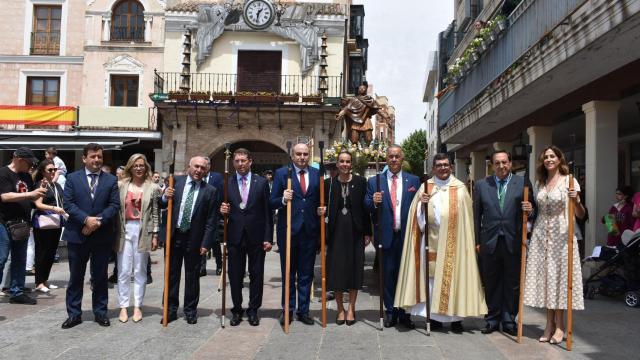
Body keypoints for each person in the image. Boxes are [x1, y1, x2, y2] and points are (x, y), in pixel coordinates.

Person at [394, 153, 487, 333]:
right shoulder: (426, 187)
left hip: (455, 243)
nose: (443, 168)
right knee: (432, 281)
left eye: (446, 165)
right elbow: (416, 218)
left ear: (451, 167)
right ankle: (434, 317)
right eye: (439, 165)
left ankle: (456, 320)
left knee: (454, 280)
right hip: (431, 241)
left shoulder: (460, 188)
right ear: (433, 168)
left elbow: (467, 220)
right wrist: (422, 205)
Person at [523, 146, 585, 344]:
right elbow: (536, 211)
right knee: (546, 280)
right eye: (546, 157)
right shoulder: (540, 182)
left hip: (562, 235)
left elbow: (581, 214)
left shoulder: (570, 180)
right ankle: (548, 325)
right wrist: (530, 208)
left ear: (559, 159)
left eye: (552, 156)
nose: (549, 159)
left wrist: (575, 200)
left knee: (560, 280)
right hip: (541, 235)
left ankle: (560, 326)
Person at [472, 150, 535, 335]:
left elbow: (533, 210)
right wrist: (477, 241)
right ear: (492, 165)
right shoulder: (482, 185)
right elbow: (476, 216)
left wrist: (530, 209)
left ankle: (509, 320)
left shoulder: (522, 182)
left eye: (505, 162)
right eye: (497, 163)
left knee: (512, 282)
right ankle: (492, 319)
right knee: (491, 281)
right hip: (489, 241)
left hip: (513, 239)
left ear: (510, 163)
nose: (501, 166)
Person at [61, 143, 120, 329]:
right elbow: (68, 204)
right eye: (93, 156)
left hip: (101, 236)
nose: (96, 160)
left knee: (100, 276)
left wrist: (97, 222)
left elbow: (114, 205)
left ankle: (101, 312)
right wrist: (86, 220)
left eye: (99, 157)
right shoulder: (72, 178)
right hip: (77, 235)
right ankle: (74, 314)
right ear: (84, 158)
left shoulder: (110, 180)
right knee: (76, 277)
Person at [365, 145, 420, 329]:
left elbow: (419, 207)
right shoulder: (375, 182)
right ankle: (390, 311)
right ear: (386, 159)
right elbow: (366, 206)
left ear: (402, 158)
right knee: (387, 276)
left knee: (405, 275)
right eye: (390, 157)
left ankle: (404, 313)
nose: (394, 160)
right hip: (386, 236)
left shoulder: (413, 180)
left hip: (406, 236)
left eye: (397, 156)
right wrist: (373, 201)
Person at [162, 156, 218, 325]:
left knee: (192, 276)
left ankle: (190, 310)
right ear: (189, 167)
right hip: (175, 236)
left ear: (206, 171)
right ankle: (170, 309)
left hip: (194, 239)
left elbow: (211, 220)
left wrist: (206, 243)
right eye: (196, 167)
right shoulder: (175, 182)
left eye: (203, 168)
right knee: (171, 274)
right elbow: (161, 204)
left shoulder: (210, 191)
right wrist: (165, 196)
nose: (199, 170)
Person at [219, 148, 273, 326]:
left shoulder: (261, 182)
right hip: (235, 235)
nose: (240, 164)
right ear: (233, 163)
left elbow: (267, 212)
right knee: (235, 275)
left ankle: (253, 310)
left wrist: (268, 237)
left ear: (250, 161)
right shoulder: (227, 181)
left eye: (243, 160)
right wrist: (222, 211)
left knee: (256, 275)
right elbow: (220, 208)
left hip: (256, 236)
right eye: (237, 161)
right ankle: (236, 309)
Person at [270, 142, 320, 326]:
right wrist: (283, 199)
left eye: (305, 154)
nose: (302, 157)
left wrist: (322, 211)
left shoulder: (317, 174)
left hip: (309, 232)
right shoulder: (283, 174)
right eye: (298, 154)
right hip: (289, 231)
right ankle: (288, 309)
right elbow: (272, 201)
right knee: (289, 273)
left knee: (306, 274)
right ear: (292, 156)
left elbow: (318, 201)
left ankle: (303, 311)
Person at [319, 150, 371, 325]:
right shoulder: (328, 184)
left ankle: (351, 309)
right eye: (341, 161)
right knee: (337, 271)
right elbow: (320, 206)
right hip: (335, 233)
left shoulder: (361, 182)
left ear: (351, 164)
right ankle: (340, 309)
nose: (345, 164)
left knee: (355, 270)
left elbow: (365, 210)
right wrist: (320, 210)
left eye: (348, 161)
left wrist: (367, 232)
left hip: (355, 232)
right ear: (337, 164)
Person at [115, 154, 160, 323]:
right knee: (124, 270)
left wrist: (156, 234)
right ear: (130, 167)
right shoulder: (121, 185)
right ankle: (123, 307)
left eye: (142, 165)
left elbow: (155, 212)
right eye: (135, 165)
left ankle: (137, 306)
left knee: (140, 270)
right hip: (124, 229)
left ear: (146, 167)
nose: (139, 168)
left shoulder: (153, 187)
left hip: (143, 231)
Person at [0, 148, 47, 304]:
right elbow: (5, 196)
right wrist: (30, 194)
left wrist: (40, 196)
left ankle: (17, 291)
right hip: (4, 223)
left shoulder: (26, 176)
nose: (31, 167)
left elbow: (31, 198)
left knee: (20, 259)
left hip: (22, 224)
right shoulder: (3, 173)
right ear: (19, 159)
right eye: (29, 163)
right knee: (1, 258)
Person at [32, 159, 68, 294]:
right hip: (43, 222)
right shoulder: (41, 185)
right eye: (50, 170)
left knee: (51, 252)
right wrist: (54, 208)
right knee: (42, 252)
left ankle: (45, 279)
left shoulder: (55, 185)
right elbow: (38, 204)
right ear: (42, 172)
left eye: (54, 169)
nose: (53, 172)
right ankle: (39, 282)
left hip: (55, 222)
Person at [200, 160, 223, 277]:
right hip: (200, 214)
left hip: (214, 213)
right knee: (201, 240)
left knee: (215, 241)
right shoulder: (198, 176)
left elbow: (221, 193)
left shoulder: (217, 177)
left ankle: (219, 264)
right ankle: (202, 267)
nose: (205, 167)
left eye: (207, 165)